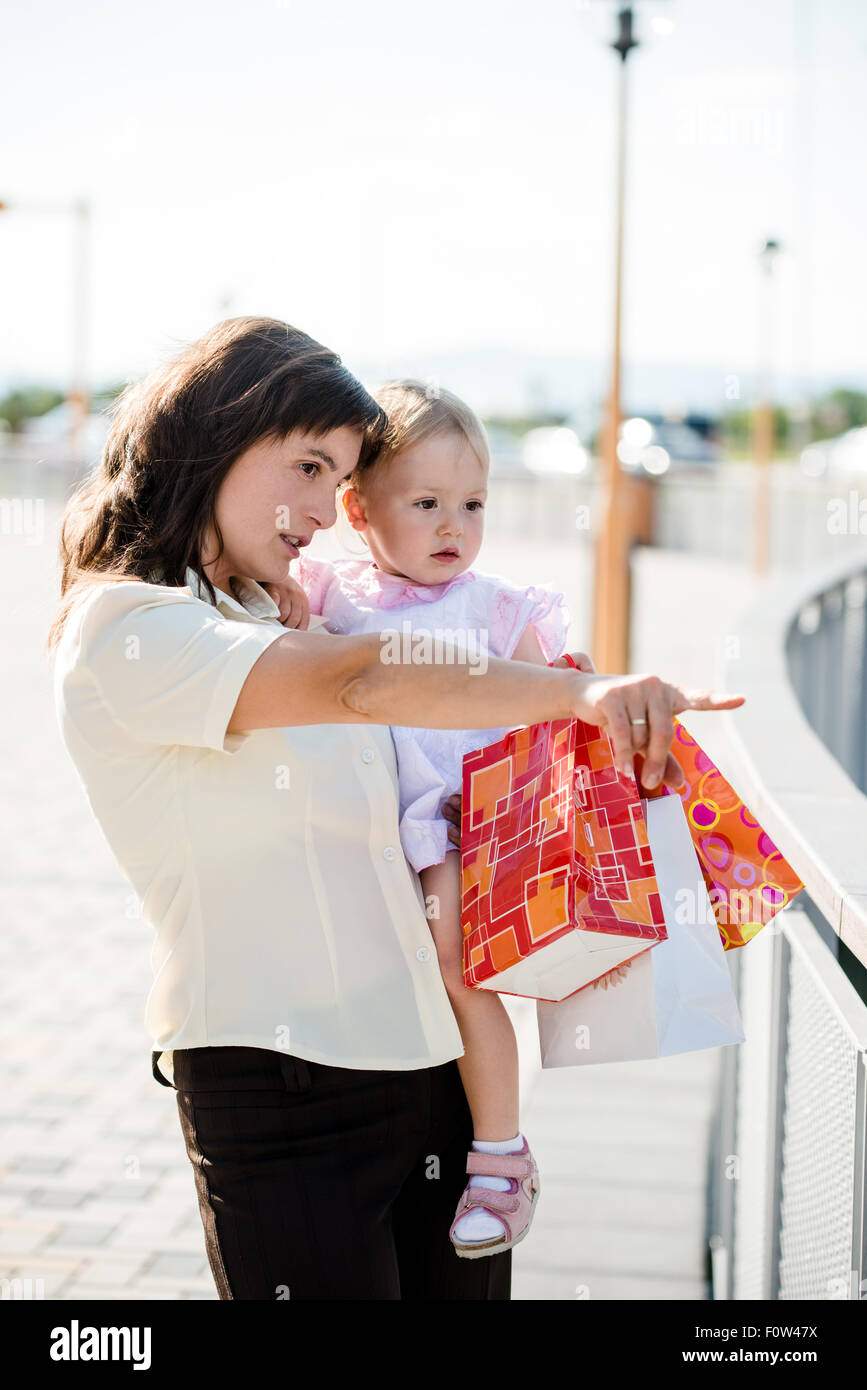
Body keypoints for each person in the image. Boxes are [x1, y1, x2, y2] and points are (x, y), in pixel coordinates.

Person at [47, 315, 744, 1301]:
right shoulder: (131, 628)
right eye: (305, 467)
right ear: (220, 434)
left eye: (336, 477)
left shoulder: (274, 605)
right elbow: (367, 680)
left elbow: (424, 733)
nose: (322, 509)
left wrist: (574, 729)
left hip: (435, 1073)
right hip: (282, 1088)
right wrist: (573, 693)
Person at [264, 379, 589, 1261]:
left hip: (459, 826)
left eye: (473, 504)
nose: (455, 527)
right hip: (363, 828)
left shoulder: (494, 607)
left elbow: (554, 703)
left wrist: (577, 682)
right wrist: (291, 605)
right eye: (427, 503)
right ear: (357, 510)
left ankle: (500, 1155)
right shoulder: (330, 592)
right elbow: (282, 638)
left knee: (459, 969)